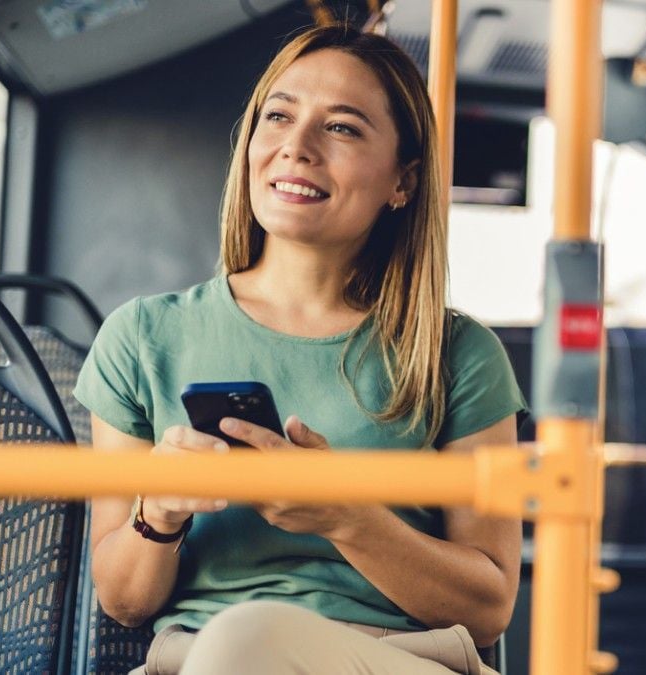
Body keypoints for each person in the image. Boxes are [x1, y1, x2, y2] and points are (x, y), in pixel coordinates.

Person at [73, 23, 526, 675]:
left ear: (402, 180)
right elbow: (122, 602)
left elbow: (489, 607)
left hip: (396, 659)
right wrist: (160, 511)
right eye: (279, 116)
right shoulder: (141, 338)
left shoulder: (458, 354)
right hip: (195, 661)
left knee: (252, 638)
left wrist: (348, 517)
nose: (296, 146)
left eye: (341, 127)